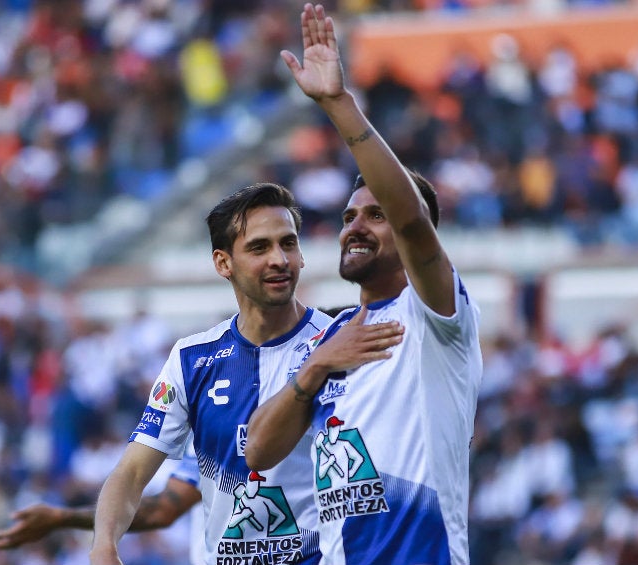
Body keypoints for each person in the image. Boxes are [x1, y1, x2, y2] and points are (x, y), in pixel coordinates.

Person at [246, 4, 483, 564]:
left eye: (375, 215)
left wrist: (337, 105)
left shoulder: (435, 317)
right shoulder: (324, 338)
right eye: (351, 216)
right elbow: (258, 449)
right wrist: (316, 369)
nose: (355, 225)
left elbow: (411, 222)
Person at [89, 182, 400, 565]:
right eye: (259, 247)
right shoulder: (191, 359)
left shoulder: (341, 341)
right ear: (223, 263)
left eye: (288, 243)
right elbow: (133, 471)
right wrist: (104, 545)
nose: (279, 259)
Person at [0, 452, 202, 554]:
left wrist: (61, 518)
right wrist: (60, 518)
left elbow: (162, 510)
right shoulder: (210, 426)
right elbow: (163, 508)